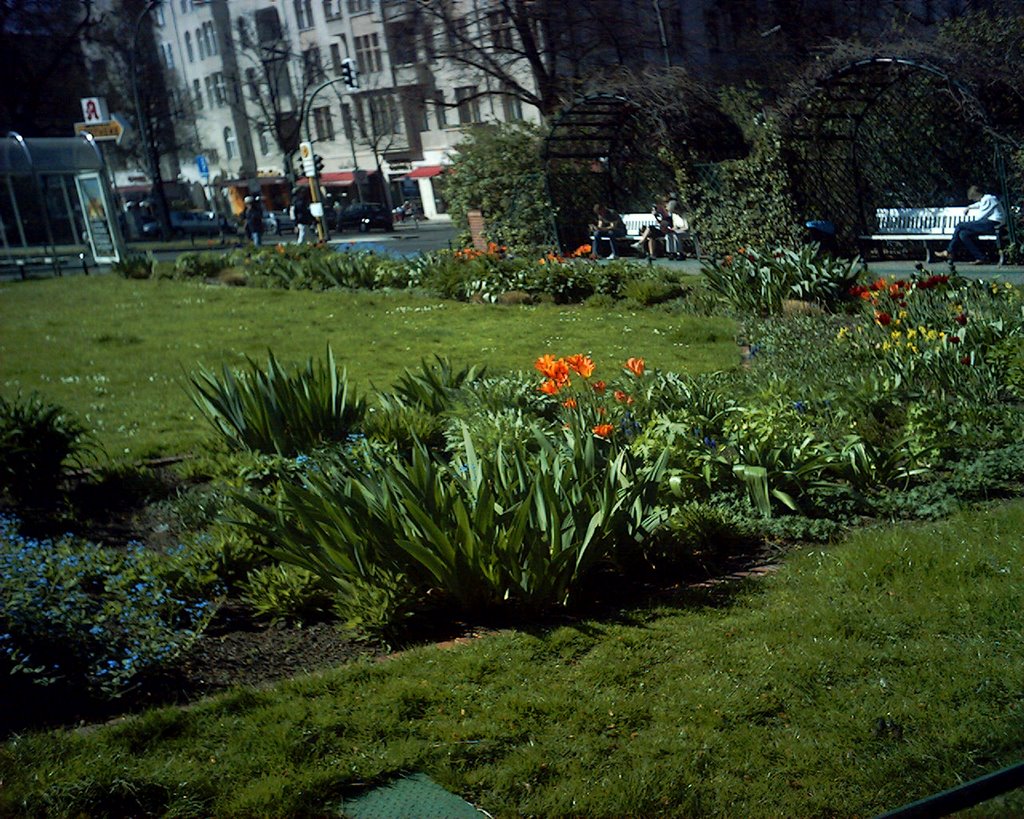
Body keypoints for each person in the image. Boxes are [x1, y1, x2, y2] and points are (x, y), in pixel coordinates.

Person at [935, 184, 1005, 264]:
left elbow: (980, 216)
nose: (974, 200)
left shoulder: (989, 199)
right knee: (963, 234)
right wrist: (969, 207)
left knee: (960, 225)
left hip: (994, 224)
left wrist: (970, 224)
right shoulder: (985, 199)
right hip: (989, 224)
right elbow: (979, 204)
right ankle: (981, 258)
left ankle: (949, 251)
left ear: (977, 194)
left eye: (974, 198)